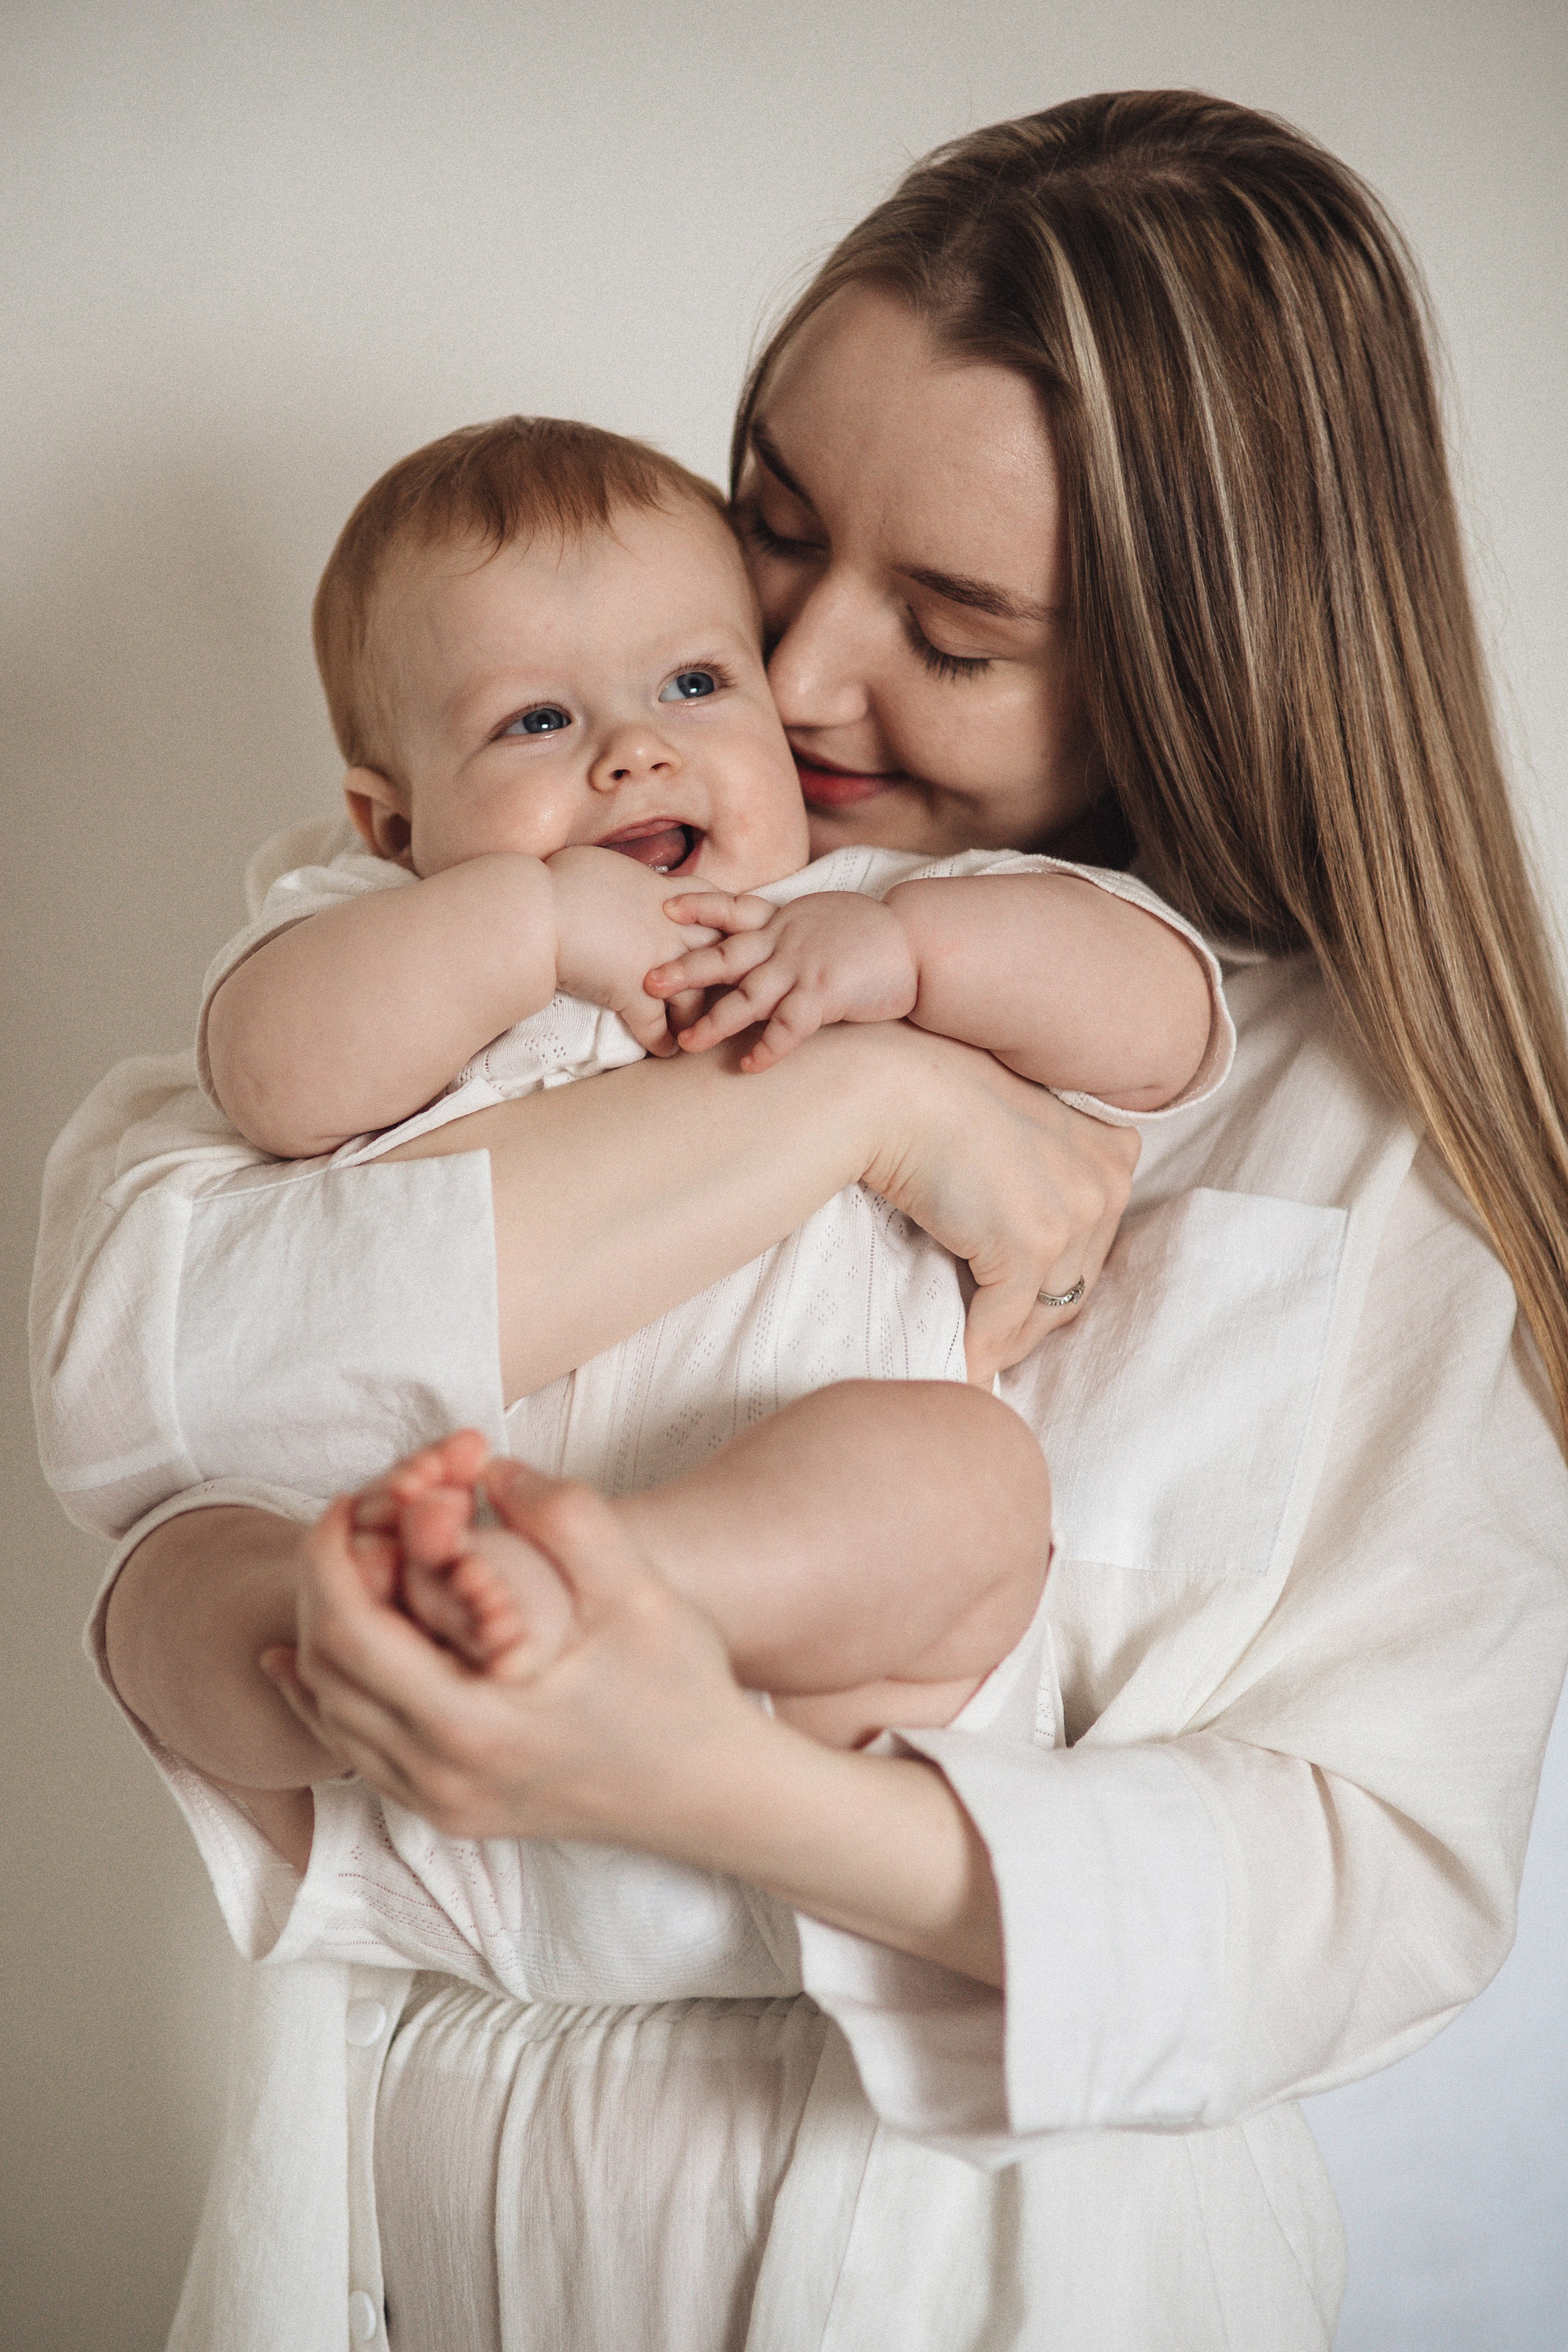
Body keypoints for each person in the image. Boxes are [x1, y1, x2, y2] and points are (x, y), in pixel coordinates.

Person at [33, 88, 1568, 2352]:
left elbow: (1371, 1891)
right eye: (774, 530)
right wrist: (855, 1103)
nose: (803, 676)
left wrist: (696, 1775)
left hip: (980, 2264)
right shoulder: (481, 913)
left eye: (952, 630)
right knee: (176, 1586)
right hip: (398, 2217)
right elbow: (145, 1378)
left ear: (1199, 663)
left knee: (945, 1483)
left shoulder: (1328, 1105)